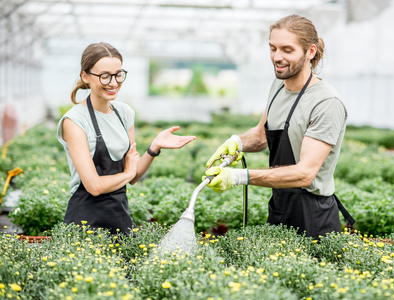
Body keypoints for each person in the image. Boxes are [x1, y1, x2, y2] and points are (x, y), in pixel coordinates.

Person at [204, 15, 354, 240]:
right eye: (273, 48)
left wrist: (239, 177)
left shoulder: (326, 103)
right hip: (279, 205)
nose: (277, 57)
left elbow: (304, 174)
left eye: (287, 49)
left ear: (310, 52)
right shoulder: (278, 85)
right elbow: (262, 134)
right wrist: (237, 142)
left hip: (312, 215)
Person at [57, 42, 196, 235]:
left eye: (118, 74)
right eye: (105, 76)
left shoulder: (124, 114)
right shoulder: (75, 121)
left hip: (120, 217)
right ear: (85, 76)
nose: (113, 83)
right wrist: (128, 174)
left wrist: (154, 147)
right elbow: (94, 186)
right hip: (84, 222)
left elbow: (133, 175)